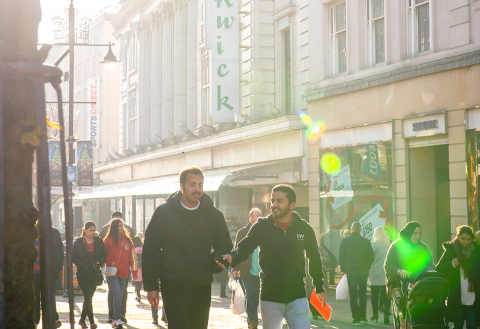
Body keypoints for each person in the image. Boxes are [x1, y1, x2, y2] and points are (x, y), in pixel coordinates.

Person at [222, 184, 327, 329]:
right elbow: (244, 248)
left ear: (292, 205)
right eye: (272, 201)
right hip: (270, 297)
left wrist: (319, 287)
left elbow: (314, 257)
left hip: (297, 296)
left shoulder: (304, 228)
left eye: (279, 201)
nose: (274, 205)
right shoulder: (261, 226)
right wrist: (233, 258)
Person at [143, 167, 233, 329]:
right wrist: (151, 286)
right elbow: (150, 250)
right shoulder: (164, 213)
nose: (197, 189)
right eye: (192, 184)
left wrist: (217, 261)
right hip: (172, 282)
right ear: (181, 186)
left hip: (202, 283)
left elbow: (224, 245)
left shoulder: (214, 215)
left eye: (200, 184)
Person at [384, 221, 435, 319]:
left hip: (421, 283)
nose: (418, 236)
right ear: (408, 233)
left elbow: (430, 264)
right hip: (401, 283)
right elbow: (388, 265)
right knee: (403, 314)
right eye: (415, 234)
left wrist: (430, 272)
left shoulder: (423, 247)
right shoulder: (396, 246)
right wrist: (399, 271)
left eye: (419, 234)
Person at [436, 225, 480, 329]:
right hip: (456, 294)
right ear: (458, 237)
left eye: (468, 239)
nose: (465, 242)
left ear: (472, 239)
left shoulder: (477, 250)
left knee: (472, 324)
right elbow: (439, 268)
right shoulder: (451, 249)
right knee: (458, 324)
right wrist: (452, 263)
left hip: (473, 294)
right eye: (463, 239)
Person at [72, 221, 107, 329]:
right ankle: (92, 321)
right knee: (88, 296)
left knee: (89, 297)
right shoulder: (78, 242)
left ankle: (82, 320)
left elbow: (104, 255)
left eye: (93, 230)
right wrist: (82, 264)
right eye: (90, 230)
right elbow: (73, 256)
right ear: (85, 230)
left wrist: (98, 262)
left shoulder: (98, 241)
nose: (92, 233)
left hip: (94, 273)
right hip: (83, 273)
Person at [99, 211, 133, 324]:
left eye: (122, 225)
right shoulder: (108, 238)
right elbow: (103, 253)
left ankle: (119, 315)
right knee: (116, 292)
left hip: (124, 271)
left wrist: (133, 268)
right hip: (112, 271)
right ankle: (116, 317)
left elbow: (131, 254)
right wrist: (109, 261)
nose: (122, 227)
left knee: (122, 293)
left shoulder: (127, 239)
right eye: (119, 225)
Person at [231, 208, 262, 329]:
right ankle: (253, 320)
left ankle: (252, 318)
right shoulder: (242, 232)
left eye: (260, 215)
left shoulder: (264, 231)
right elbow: (237, 250)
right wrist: (235, 267)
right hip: (247, 270)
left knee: (258, 295)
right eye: (256, 215)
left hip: (261, 270)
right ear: (251, 217)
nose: (259, 217)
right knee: (251, 294)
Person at [338, 222, 374, 325]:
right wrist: (367, 266)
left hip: (351, 270)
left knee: (353, 294)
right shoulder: (366, 241)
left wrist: (343, 268)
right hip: (363, 270)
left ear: (351, 229)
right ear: (361, 229)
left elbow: (341, 256)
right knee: (363, 293)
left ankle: (356, 318)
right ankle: (363, 317)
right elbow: (371, 257)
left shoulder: (345, 241)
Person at [34, 222, 64, 328]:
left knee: (49, 297)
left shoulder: (54, 232)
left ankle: (53, 319)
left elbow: (60, 252)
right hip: (34, 272)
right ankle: (35, 320)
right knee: (35, 297)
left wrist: (56, 269)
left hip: (49, 272)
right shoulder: (30, 231)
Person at [369, 227, 391, 324]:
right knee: (385, 295)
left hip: (374, 272)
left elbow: (369, 257)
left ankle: (375, 314)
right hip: (385, 272)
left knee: (374, 295)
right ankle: (386, 315)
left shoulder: (373, 245)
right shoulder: (389, 245)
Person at [132, 235, 143, 302]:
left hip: (135, 268)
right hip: (142, 268)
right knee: (140, 282)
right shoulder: (142, 249)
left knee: (136, 282)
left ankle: (138, 294)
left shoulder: (133, 250)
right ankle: (138, 293)